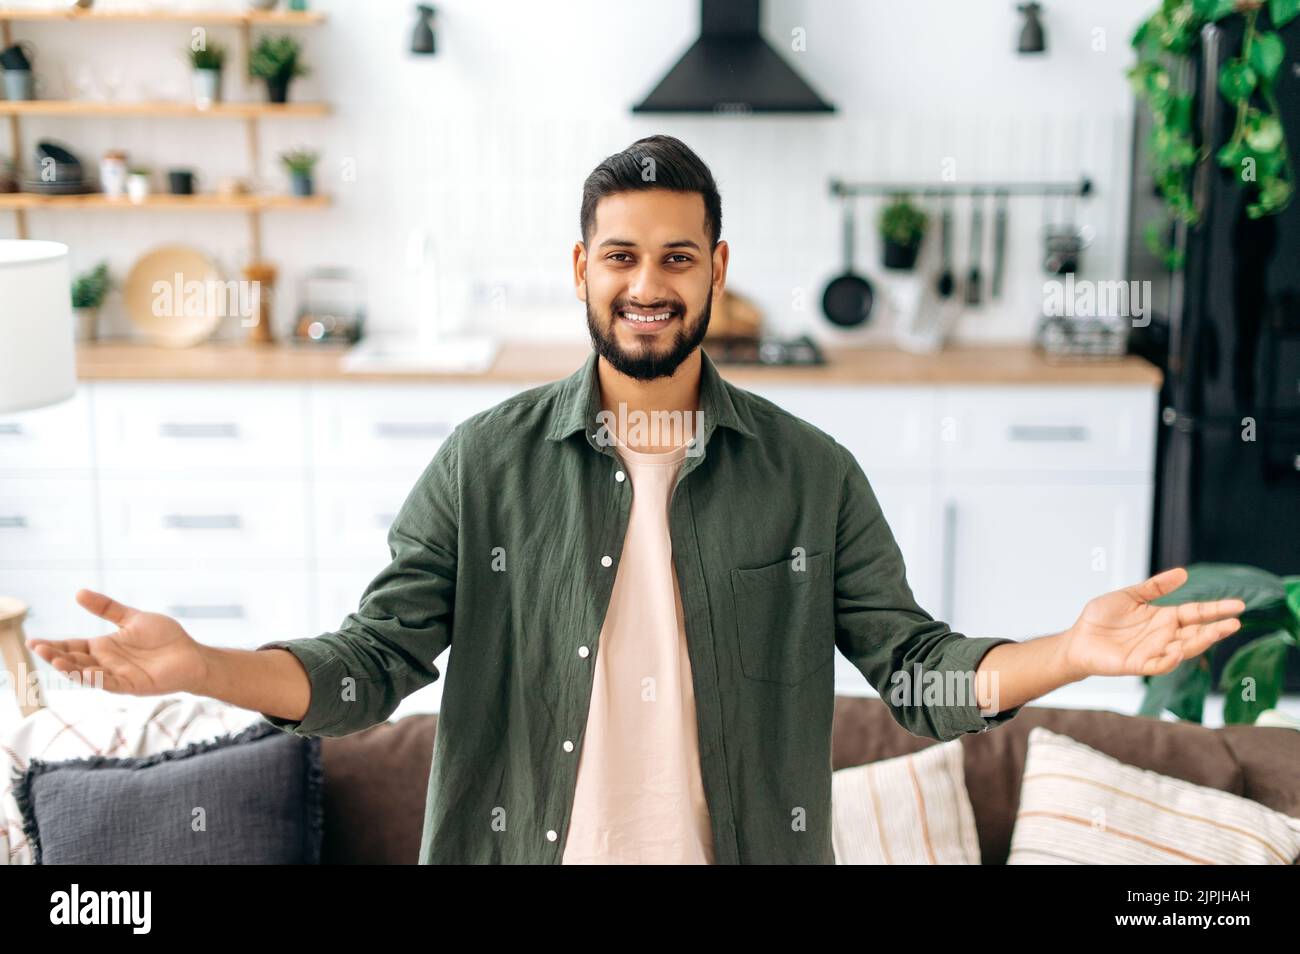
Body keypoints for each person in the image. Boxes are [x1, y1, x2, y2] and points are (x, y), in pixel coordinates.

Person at [28, 135, 1245, 865]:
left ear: (718, 268)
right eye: (622, 256)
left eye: (677, 257)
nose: (648, 285)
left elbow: (918, 676)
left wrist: (1071, 651)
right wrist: (203, 668)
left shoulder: (809, 472)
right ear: (581, 270)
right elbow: (366, 669)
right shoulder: (483, 462)